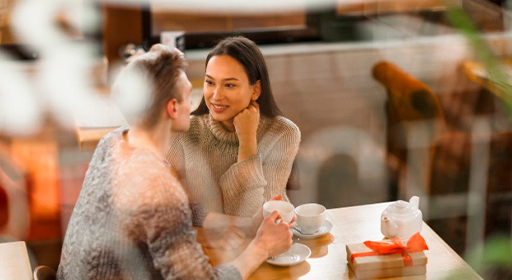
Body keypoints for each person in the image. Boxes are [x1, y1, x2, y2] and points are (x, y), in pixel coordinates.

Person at [57, 45, 293, 280]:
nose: (194, 104)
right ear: (172, 108)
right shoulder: (157, 186)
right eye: (188, 95)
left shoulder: (112, 141)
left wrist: (248, 227)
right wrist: (261, 247)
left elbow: (184, 211)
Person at [166, 36, 301, 218]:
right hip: (202, 242)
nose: (216, 95)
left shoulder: (283, 133)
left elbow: (254, 218)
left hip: (267, 241)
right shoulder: (183, 132)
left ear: (255, 90)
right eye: (210, 82)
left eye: (229, 85)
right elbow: (166, 211)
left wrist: (247, 140)